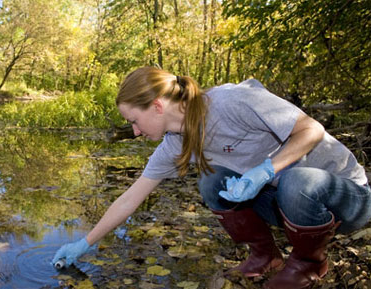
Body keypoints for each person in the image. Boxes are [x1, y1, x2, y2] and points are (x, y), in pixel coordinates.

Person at [52, 66, 371, 288]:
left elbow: (312, 129)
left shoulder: (230, 102)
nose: (134, 132)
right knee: (211, 181)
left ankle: (309, 264)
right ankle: (266, 256)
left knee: (295, 180)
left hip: (346, 197)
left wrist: (266, 169)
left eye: (134, 121)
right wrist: (84, 242)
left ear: (158, 106)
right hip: (288, 205)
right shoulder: (175, 144)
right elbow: (131, 197)